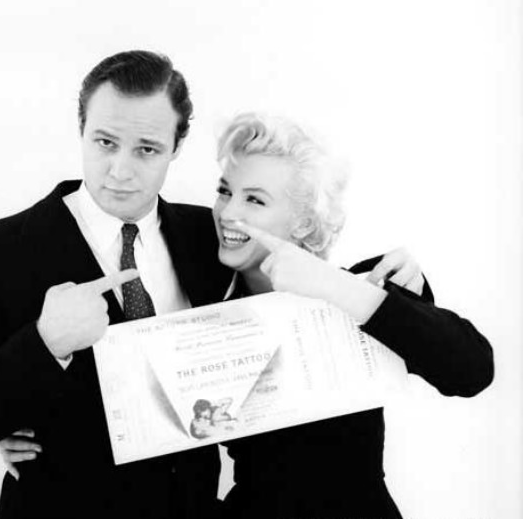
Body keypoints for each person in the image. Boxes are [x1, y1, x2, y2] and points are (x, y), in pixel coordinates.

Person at [0, 51, 234, 519]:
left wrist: (383, 263)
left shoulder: (210, 238)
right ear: (81, 130)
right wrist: (44, 346)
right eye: (105, 142)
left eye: (147, 149)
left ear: (177, 145)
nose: (121, 170)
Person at [209, 113, 493, 519]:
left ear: (304, 221)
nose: (227, 212)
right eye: (224, 191)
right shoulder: (203, 305)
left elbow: (473, 371)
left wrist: (340, 288)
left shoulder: (358, 290)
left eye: (254, 199)